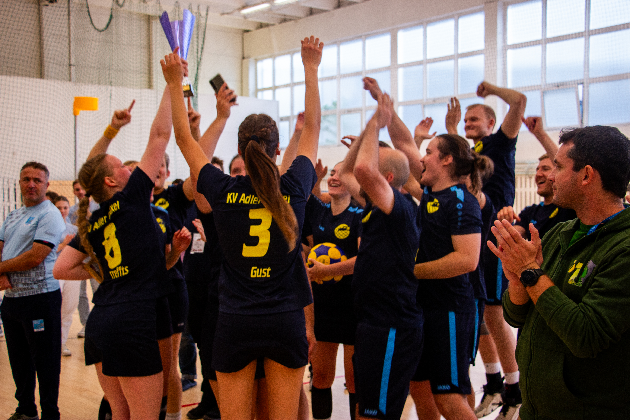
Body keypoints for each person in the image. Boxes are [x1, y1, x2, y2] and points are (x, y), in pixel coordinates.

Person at [162, 35, 323, 419]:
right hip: (284, 320)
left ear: (241, 148)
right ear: (278, 148)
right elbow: (314, 128)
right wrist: (311, 67)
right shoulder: (296, 185)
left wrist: (173, 85)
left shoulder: (221, 188)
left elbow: (184, 139)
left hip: (235, 322)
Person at [489, 125, 630, 419]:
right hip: (536, 410)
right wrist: (517, 280)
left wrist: (530, 272)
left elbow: (586, 335)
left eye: (559, 167)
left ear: (587, 176)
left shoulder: (623, 247)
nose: (550, 175)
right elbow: (515, 317)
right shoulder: (559, 234)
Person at [53, 87, 173, 420]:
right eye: (122, 166)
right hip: (132, 321)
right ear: (111, 180)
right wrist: (171, 84)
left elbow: (61, 268)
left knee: (120, 415)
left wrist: (101, 272)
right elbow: (161, 135)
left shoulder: (92, 219)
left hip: (101, 321)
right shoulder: (133, 196)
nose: (130, 170)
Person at [338, 91, 422, 420]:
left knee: (376, 415)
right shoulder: (377, 206)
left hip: (392, 326)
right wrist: (368, 130)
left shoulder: (398, 207)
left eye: (374, 171)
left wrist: (377, 123)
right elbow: (349, 172)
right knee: (365, 409)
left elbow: (360, 169)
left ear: (386, 179)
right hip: (373, 323)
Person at [445, 85, 527, 420]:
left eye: (474, 119)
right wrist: (452, 131)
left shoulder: (500, 143)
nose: (468, 123)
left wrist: (490, 89)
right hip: (470, 233)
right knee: (479, 313)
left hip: (496, 231)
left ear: (491, 122)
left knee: (494, 313)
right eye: (465, 120)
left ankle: (515, 389)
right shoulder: (467, 149)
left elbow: (519, 102)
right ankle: (494, 384)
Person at [0, 161, 66, 420]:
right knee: (18, 360)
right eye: (26, 179)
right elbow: (1, 246)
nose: (31, 184)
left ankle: (51, 413)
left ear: (46, 185)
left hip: (41, 300)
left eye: (37, 180)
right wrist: (3, 271)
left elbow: (35, 257)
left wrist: (0, 268)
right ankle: (26, 410)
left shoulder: (49, 214)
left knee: (46, 360)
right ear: (19, 183)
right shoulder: (12, 215)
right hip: (13, 301)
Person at [305, 161, 363, 420]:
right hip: (323, 305)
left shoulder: (361, 213)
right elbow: (307, 249)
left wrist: (327, 271)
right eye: (332, 173)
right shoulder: (319, 210)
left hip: (353, 306)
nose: (334, 176)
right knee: (321, 376)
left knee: (353, 381)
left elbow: (365, 258)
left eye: (341, 173)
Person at [496, 117, 576, 241]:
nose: (538, 174)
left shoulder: (569, 207)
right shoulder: (530, 212)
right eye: (537, 169)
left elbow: (567, 166)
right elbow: (513, 238)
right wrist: (504, 224)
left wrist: (540, 133)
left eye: (545, 169)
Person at [52, 195, 81, 357]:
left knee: (69, 308)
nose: (62, 211)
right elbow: (47, 253)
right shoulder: (48, 229)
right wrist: (64, 244)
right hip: (54, 273)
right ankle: (52, 343)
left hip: (71, 273)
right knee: (55, 308)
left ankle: (62, 344)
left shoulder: (74, 230)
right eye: (59, 208)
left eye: (65, 207)